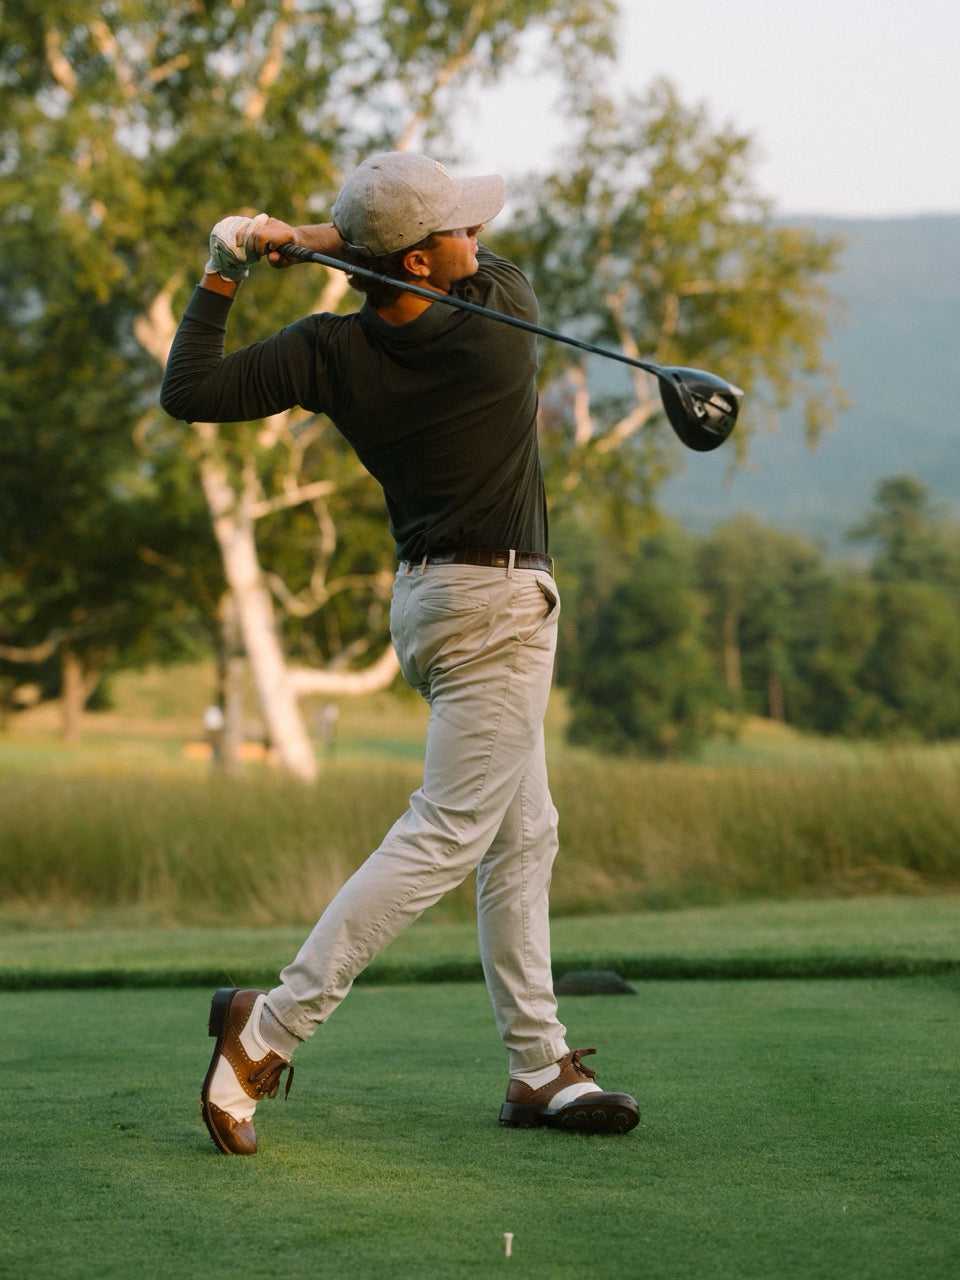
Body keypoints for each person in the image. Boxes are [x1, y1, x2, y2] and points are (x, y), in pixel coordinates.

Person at [160, 151, 639, 1155]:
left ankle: (538, 1064)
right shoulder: (501, 320)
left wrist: (230, 263)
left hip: (426, 604)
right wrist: (322, 239)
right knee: (448, 834)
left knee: (524, 832)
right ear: (420, 261)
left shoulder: (328, 350)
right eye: (458, 226)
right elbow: (468, 264)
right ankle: (268, 1027)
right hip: (498, 609)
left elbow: (190, 387)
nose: (478, 236)